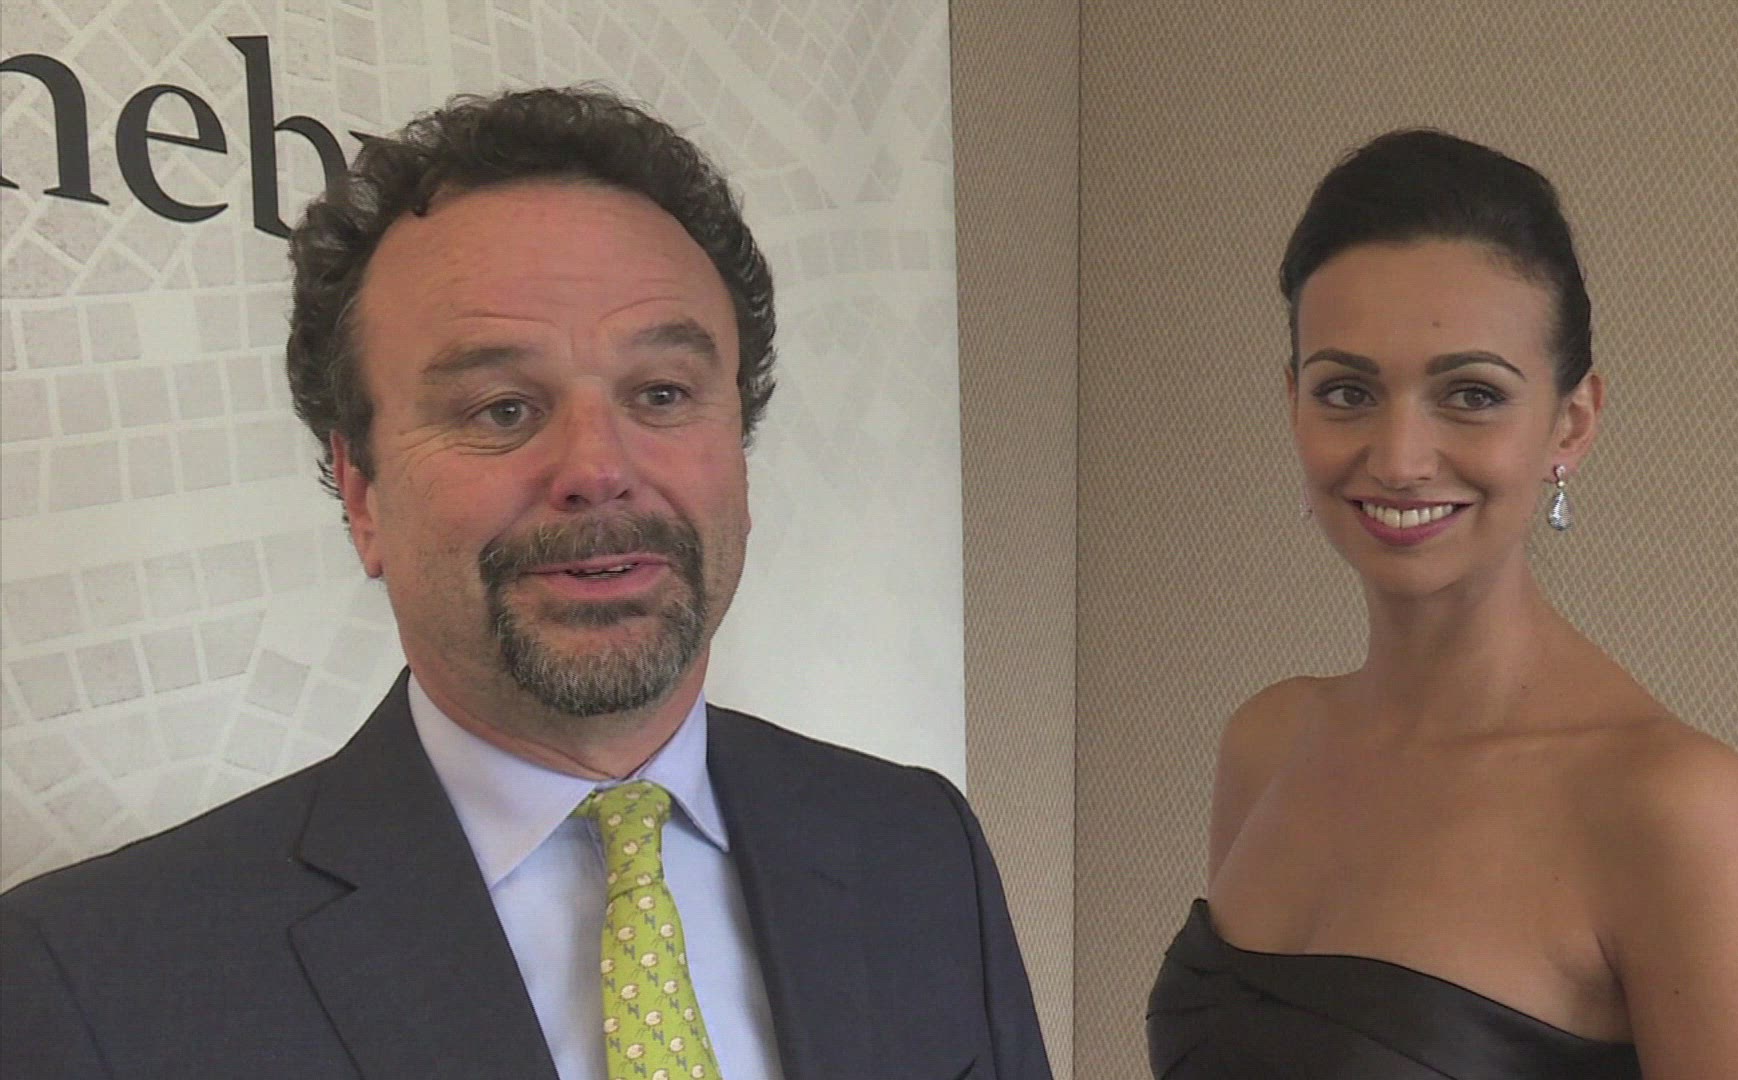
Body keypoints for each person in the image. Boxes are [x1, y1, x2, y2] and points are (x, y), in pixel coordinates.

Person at [1, 87, 1050, 1080]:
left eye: (662, 393)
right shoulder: (95, 979)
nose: (598, 467)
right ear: (363, 494)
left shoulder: (916, 848)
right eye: (501, 409)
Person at [1147, 130, 1738, 1079]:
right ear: (1293, 403)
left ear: (1571, 424)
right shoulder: (1268, 740)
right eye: (1347, 391)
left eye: (1470, 394)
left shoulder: (1668, 805)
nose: (1399, 459)